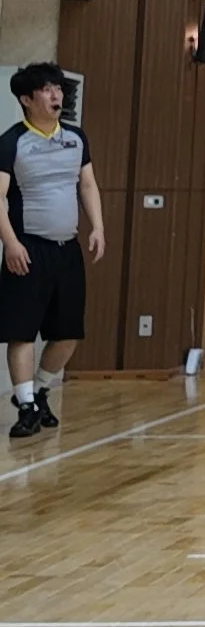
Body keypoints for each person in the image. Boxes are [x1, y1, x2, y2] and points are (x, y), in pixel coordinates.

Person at [2, 63, 105, 441]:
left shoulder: (76, 139)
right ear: (27, 100)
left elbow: (88, 185)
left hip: (67, 250)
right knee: (23, 331)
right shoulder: (12, 141)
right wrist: (11, 243)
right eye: (46, 90)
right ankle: (25, 405)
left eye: (58, 88)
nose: (56, 95)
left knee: (68, 333)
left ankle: (41, 390)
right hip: (28, 249)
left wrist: (98, 226)